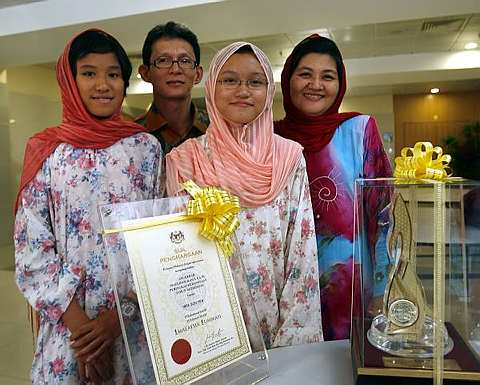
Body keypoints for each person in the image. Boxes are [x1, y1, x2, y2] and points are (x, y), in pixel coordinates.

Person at [14, 29, 162, 384]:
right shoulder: (47, 151)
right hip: (69, 330)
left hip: (134, 326)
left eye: (113, 74)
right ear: (69, 79)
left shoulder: (145, 149)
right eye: (89, 73)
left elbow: (158, 238)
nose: (103, 84)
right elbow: (32, 248)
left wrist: (115, 322)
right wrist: (86, 336)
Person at [166, 42, 322, 349]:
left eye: (255, 81)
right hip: (210, 327)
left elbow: (302, 253)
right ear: (211, 87)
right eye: (229, 80)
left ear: (269, 91)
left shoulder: (288, 157)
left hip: (280, 322)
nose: (243, 91)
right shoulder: (185, 160)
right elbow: (178, 258)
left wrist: (291, 345)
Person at [274, 34, 392, 341]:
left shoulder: (359, 130)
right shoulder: (271, 138)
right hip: (282, 293)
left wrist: (383, 289)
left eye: (327, 76)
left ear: (340, 85)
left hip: (349, 294)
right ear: (288, 80)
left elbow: (386, 215)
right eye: (305, 74)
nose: (315, 84)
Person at [136, 21, 208, 156]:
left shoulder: (216, 129)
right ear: (146, 73)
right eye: (163, 60)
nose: (175, 69)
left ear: (198, 74)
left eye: (185, 61)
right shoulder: (132, 136)